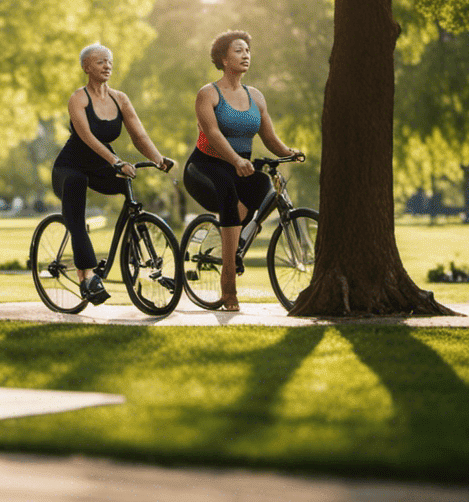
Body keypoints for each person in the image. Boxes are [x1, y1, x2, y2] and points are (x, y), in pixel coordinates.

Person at [182, 30, 302, 311]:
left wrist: (288, 153)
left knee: (264, 188)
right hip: (205, 168)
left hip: (242, 168)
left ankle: (233, 244)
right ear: (223, 59)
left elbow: (269, 138)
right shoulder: (207, 94)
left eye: (248, 50)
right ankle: (228, 289)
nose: (246, 54)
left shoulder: (256, 96)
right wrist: (236, 160)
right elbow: (211, 134)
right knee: (228, 195)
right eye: (238, 50)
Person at [52, 44, 175, 305]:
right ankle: (87, 278)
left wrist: (157, 158)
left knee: (127, 190)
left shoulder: (120, 98)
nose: (107, 65)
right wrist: (116, 161)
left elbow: (139, 134)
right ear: (86, 67)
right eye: (100, 62)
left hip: (101, 165)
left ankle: (134, 250)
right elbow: (86, 137)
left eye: (109, 61)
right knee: (77, 206)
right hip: (70, 167)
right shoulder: (79, 98)